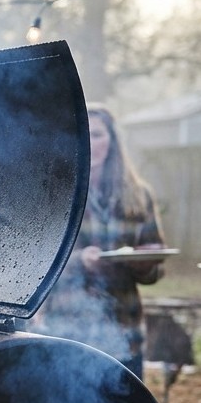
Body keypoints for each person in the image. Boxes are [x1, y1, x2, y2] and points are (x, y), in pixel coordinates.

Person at [29, 104, 167, 379]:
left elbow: (156, 268)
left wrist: (144, 264)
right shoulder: (55, 193)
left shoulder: (139, 196)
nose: (91, 141)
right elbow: (34, 264)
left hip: (124, 334)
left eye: (99, 134)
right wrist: (81, 261)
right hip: (66, 333)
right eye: (85, 133)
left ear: (113, 141)